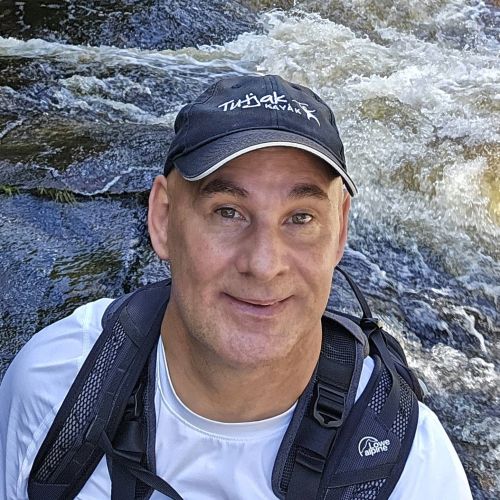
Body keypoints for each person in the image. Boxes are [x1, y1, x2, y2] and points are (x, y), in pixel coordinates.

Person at [0, 75, 472, 499]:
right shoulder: (55, 391)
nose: (264, 265)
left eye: (300, 218)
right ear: (162, 218)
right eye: (228, 212)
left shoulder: (406, 466)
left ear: (340, 231)